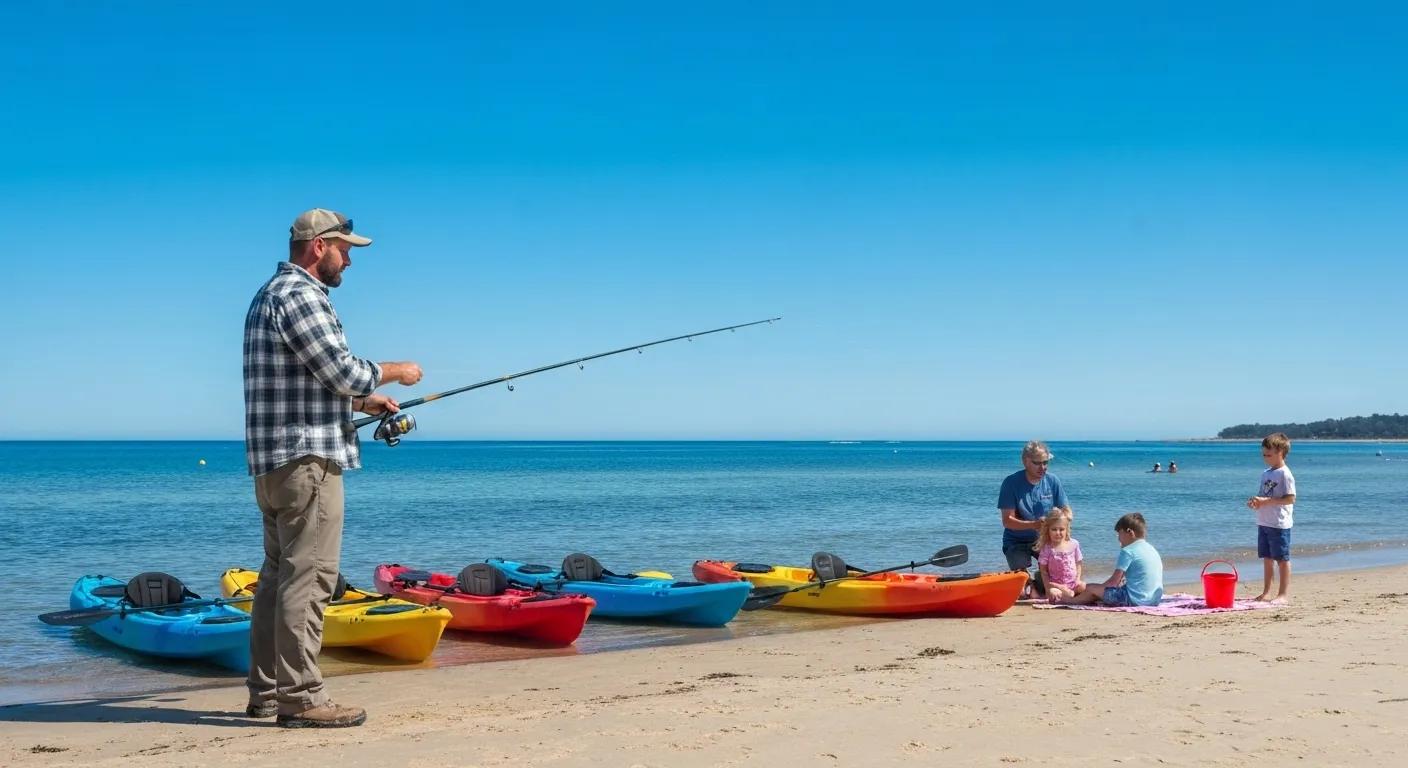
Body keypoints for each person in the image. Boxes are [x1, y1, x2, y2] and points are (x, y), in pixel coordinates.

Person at [243, 209, 423, 728]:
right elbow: (343, 370)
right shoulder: (300, 294)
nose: (349, 260)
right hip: (308, 462)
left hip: (274, 463)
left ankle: (267, 692)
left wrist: (363, 405)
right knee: (311, 579)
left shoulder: (268, 295)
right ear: (319, 246)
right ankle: (302, 698)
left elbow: (306, 382)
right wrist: (395, 371)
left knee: (277, 578)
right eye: (345, 250)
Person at [997, 441, 1071, 598]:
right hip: (1016, 542)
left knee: (1059, 583)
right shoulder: (1011, 483)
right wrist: (1035, 524)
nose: (1042, 467)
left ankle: (1040, 578)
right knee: (1024, 592)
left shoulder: (1052, 480)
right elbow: (1007, 521)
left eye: (1046, 463)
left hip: (1045, 541)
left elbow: (1066, 510)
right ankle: (1026, 581)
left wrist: (1064, 519)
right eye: (1037, 463)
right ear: (1025, 461)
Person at [1061, 513, 1163, 606]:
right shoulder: (1151, 549)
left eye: (1119, 534)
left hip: (1134, 600)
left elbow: (1113, 583)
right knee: (1098, 590)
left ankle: (1070, 601)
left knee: (1090, 588)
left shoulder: (1128, 551)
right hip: (1153, 600)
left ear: (1130, 532)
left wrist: (1097, 589)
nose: (1118, 539)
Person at [1247, 432, 1296, 604]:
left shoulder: (1285, 474)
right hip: (1264, 521)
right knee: (1267, 558)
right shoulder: (1266, 473)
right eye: (1264, 455)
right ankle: (1266, 592)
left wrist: (1266, 501)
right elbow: (1264, 495)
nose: (1265, 458)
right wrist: (1256, 503)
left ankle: (1283, 594)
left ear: (1280, 452)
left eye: (1269, 455)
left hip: (1279, 523)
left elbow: (1290, 499)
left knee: (1282, 559)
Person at [1035, 509, 1083, 601]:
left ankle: (1070, 594)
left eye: (1061, 529)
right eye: (1054, 529)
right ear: (1048, 530)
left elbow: (1078, 563)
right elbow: (1043, 571)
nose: (1058, 533)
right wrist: (1047, 588)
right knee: (1054, 594)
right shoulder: (1047, 548)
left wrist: (1077, 579)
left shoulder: (1074, 544)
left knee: (1083, 586)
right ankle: (1067, 594)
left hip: (1073, 584)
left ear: (1066, 529)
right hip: (1055, 584)